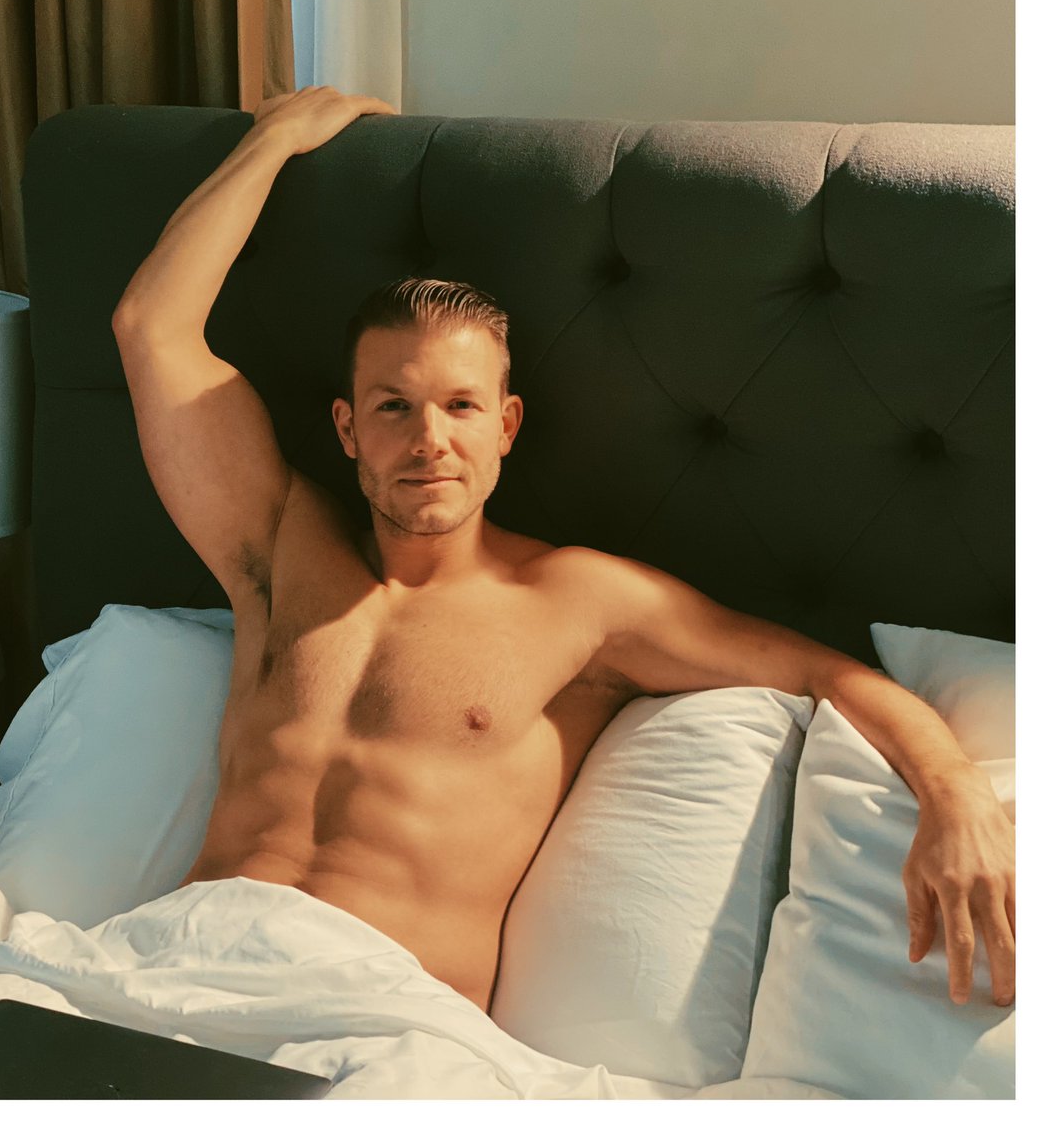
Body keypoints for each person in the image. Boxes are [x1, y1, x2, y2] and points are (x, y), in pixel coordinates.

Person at [111, 85, 1015, 1015]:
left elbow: (830, 675)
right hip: (166, 978)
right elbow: (151, 327)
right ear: (347, 427)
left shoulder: (578, 604)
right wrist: (278, 139)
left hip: (370, 1023)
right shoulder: (281, 547)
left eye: (461, 406)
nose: (429, 440)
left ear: (506, 425)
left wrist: (956, 796)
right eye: (394, 406)